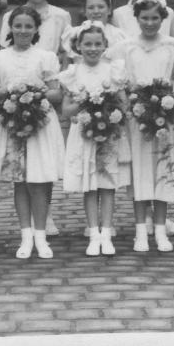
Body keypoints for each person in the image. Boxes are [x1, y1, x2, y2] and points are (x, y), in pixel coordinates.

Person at [109, 0, 174, 252]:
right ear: (137, 19)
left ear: (163, 19)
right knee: (140, 173)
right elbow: (118, 81)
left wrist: (170, 105)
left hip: (165, 116)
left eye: (155, 18)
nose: (150, 23)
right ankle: (141, 230)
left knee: (163, 170)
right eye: (145, 18)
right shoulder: (125, 47)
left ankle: (161, 230)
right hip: (136, 117)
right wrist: (132, 102)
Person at [0, 6, 66, 259]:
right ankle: (25, 236)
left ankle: (41, 236)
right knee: (20, 182)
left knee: (40, 181)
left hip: (40, 124)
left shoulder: (45, 57)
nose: (23, 31)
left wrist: (33, 94)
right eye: (18, 26)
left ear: (36, 29)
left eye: (28, 26)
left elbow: (57, 93)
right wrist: (10, 96)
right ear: (10, 28)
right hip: (12, 124)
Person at [60, 21, 129, 256]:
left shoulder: (113, 70)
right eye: (87, 44)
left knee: (107, 184)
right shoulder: (72, 73)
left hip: (108, 135)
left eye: (97, 44)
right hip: (83, 135)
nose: (92, 48)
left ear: (105, 46)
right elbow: (66, 111)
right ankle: (93, 232)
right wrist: (87, 100)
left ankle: (107, 232)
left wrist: (108, 107)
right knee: (89, 186)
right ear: (78, 46)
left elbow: (123, 104)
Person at [61, 0, 128, 59]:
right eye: (91, 7)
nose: (96, 11)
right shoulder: (74, 33)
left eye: (101, 7)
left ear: (109, 10)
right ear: (85, 11)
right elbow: (67, 61)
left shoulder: (118, 35)